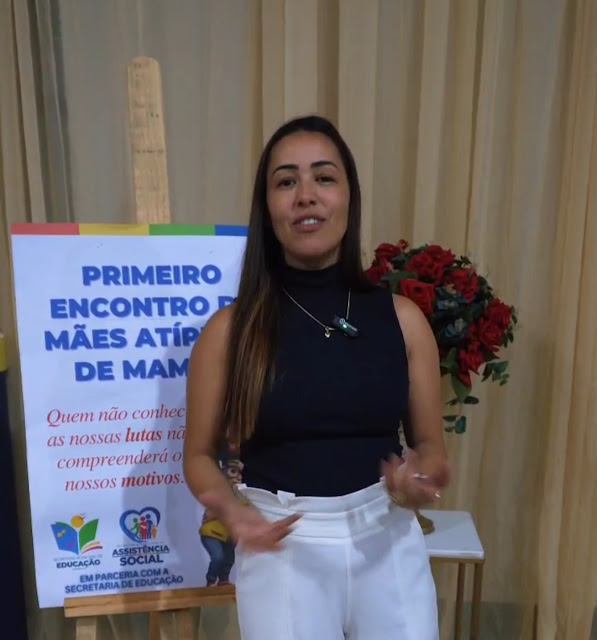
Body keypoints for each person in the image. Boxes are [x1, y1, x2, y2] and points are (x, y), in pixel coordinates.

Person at [183, 114, 450, 639]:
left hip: (386, 536)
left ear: (349, 197)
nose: (306, 195)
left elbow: (430, 446)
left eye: (324, 177)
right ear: (267, 209)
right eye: (286, 182)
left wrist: (423, 479)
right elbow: (198, 456)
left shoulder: (403, 320)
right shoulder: (230, 331)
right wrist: (231, 511)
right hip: (281, 544)